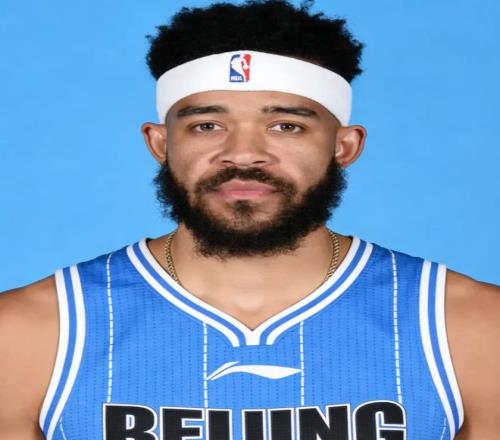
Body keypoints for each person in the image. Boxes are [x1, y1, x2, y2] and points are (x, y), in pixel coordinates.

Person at [0, 1, 498, 439]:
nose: (243, 154)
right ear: (160, 143)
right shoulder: (27, 334)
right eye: (207, 125)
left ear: (344, 146)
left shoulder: (472, 328)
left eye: (286, 126)